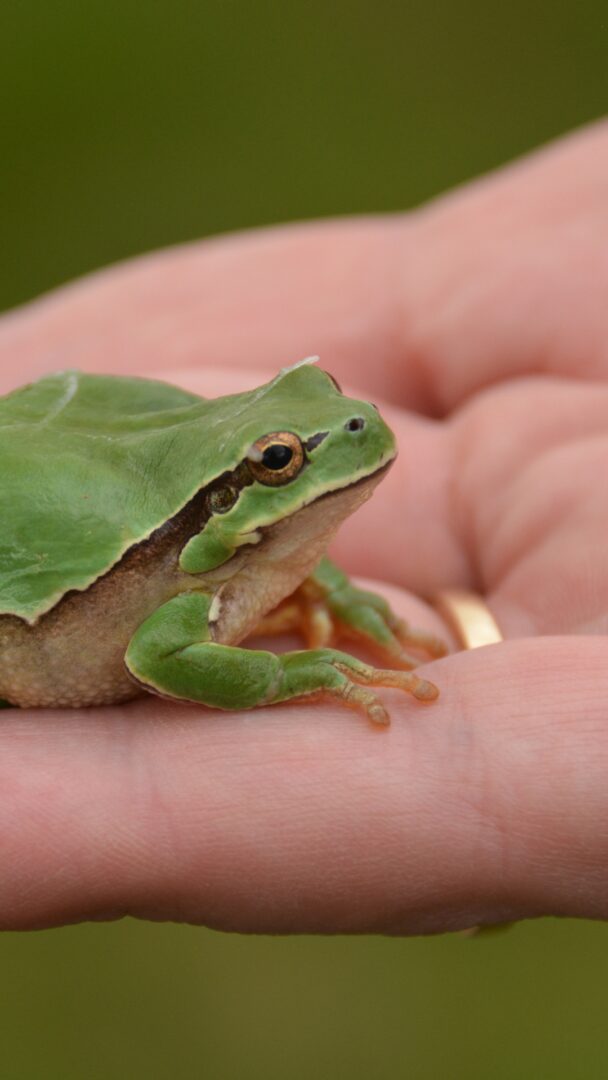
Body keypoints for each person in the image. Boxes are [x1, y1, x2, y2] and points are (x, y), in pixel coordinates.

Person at [0, 120, 606, 934]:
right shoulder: (189, 574)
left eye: (323, 391)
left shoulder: (246, 541)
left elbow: (278, 551)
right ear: (229, 505)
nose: (358, 423)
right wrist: (299, 676)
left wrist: (335, 589)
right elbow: (157, 653)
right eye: (284, 460)